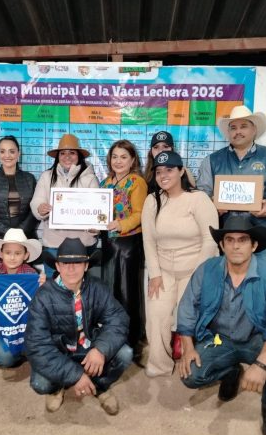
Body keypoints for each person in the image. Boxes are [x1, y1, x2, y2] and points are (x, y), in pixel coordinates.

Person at [177, 217, 266, 435]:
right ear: (222, 245)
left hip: (256, 338)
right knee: (190, 374)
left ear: (254, 245)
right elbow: (187, 306)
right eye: (229, 240)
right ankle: (230, 371)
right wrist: (188, 347)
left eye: (243, 240)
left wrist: (260, 364)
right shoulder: (207, 270)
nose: (236, 246)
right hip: (219, 339)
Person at [25, 238, 132, 415]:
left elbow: (118, 319)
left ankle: (100, 386)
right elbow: (37, 345)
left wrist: (101, 349)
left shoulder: (98, 288)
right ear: (57, 266)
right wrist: (75, 376)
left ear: (86, 265)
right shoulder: (43, 297)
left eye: (77, 263)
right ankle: (57, 387)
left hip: (88, 346)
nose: (71, 269)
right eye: (65, 263)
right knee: (40, 383)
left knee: (125, 353)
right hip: (60, 350)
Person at [141, 151, 218, 377]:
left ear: (181, 171)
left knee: (189, 317)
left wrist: (198, 277)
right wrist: (155, 274)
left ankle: (190, 359)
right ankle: (159, 365)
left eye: (169, 170)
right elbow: (148, 240)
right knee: (156, 314)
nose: (163, 175)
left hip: (193, 270)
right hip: (163, 270)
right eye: (159, 171)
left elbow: (210, 240)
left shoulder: (198, 199)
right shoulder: (152, 200)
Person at [197, 105, 266, 263]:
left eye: (243, 126)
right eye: (233, 128)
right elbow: (201, 193)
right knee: (224, 278)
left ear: (254, 130)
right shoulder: (211, 160)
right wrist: (211, 205)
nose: (238, 131)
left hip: (261, 238)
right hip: (224, 238)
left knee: (260, 277)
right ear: (228, 132)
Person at [99, 140, 147, 358]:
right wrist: (95, 226)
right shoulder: (104, 183)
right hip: (108, 244)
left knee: (127, 294)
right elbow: (98, 214)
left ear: (132, 160)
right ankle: (112, 339)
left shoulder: (137, 182)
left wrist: (121, 224)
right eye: (115, 156)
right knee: (110, 292)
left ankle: (131, 341)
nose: (118, 161)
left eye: (123, 157)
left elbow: (139, 214)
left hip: (128, 244)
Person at [30, 133, 99, 277]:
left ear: (79, 155)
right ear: (58, 156)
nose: (67, 156)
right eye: (63, 153)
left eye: (72, 153)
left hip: (83, 244)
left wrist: (95, 227)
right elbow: (36, 201)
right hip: (53, 244)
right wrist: (40, 208)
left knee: (80, 286)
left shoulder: (90, 178)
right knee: (53, 286)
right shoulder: (46, 176)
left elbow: (97, 209)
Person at [0, 228, 45, 368]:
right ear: (1, 253)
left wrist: (42, 288)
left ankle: (20, 347)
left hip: (23, 320)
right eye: (8, 252)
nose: (12, 257)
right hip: (0, 317)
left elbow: (37, 304)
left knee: (36, 350)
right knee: (5, 358)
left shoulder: (31, 273)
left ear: (26, 255)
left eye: (18, 253)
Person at [0, 135, 38, 265]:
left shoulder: (29, 179)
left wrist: (20, 231)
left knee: (23, 276)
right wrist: (6, 231)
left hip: (24, 240)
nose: (7, 155)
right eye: (3, 151)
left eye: (12, 151)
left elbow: (35, 209)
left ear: (18, 154)